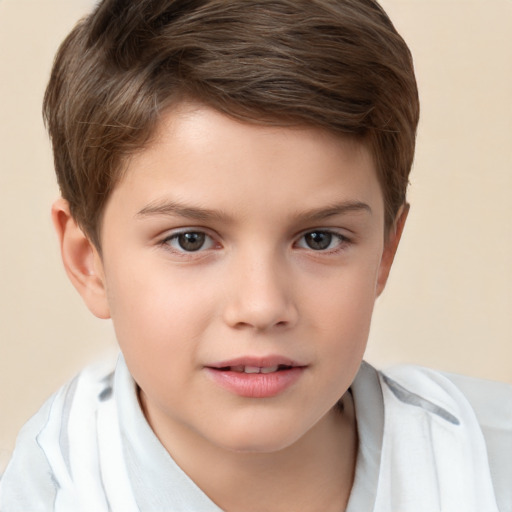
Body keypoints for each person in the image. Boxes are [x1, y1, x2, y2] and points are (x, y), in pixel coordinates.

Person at [0, 0, 510, 511]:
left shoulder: (490, 461)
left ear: (385, 251)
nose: (262, 306)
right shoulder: (50, 492)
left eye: (319, 239)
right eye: (190, 240)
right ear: (89, 260)